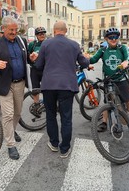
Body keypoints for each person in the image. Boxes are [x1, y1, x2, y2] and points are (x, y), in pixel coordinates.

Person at [35, 21, 89, 158]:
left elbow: (39, 65)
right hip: (67, 86)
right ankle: (64, 149)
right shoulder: (74, 45)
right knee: (66, 117)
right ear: (66, 31)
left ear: (54, 31)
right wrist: (87, 59)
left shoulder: (45, 44)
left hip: (49, 85)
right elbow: (83, 63)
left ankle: (53, 143)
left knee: (51, 115)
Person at [0, 15, 31, 160]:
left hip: (20, 83)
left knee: (17, 113)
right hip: (5, 84)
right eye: (11, 29)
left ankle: (12, 130)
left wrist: (33, 57)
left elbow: (28, 58)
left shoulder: (22, 41)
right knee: (8, 115)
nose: (14, 32)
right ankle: (11, 145)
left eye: (16, 29)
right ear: (4, 28)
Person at [86, 27, 129, 131]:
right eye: (111, 37)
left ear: (118, 38)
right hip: (109, 80)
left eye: (115, 37)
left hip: (122, 79)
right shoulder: (103, 50)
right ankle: (104, 123)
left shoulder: (122, 48)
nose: (113, 39)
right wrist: (85, 58)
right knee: (108, 102)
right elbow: (93, 59)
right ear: (106, 39)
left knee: (128, 100)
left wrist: (126, 62)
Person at [27, 27, 46, 116]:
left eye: (43, 33)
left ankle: (47, 104)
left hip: (45, 70)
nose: (42, 35)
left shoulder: (48, 44)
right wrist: (31, 58)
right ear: (36, 36)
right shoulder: (32, 45)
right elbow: (27, 57)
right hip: (34, 69)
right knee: (35, 89)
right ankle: (36, 106)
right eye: (39, 34)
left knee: (47, 89)